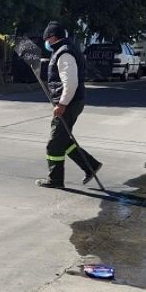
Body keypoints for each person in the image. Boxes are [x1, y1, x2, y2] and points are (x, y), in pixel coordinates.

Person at [35, 21, 102, 188]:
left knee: (54, 143)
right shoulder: (64, 50)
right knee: (63, 140)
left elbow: (70, 83)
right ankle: (90, 165)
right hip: (72, 102)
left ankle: (55, 180)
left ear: (53, 38)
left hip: (69, 103)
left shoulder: (64, 54)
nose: (46, 43)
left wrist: (62, 104)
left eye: (47, 39)